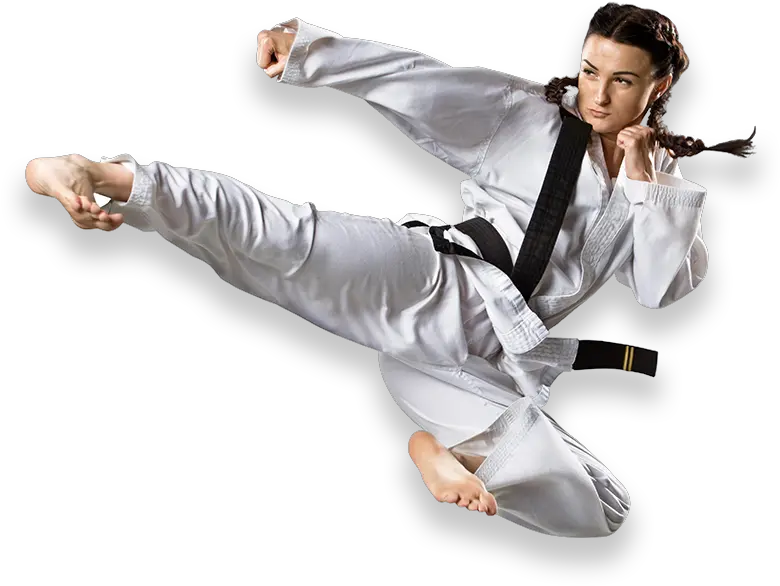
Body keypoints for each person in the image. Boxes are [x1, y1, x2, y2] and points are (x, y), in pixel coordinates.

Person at [25, 3, 755, 537]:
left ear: (658, 87)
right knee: (290, 239)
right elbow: (420, 82)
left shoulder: (666, 192)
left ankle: (434, 448)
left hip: (471, 365)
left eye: (622, 81)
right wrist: (313, 52)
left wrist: (642, 179)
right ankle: (100, 174)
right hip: (434, 281)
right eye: (591, 71)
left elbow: (660, 289)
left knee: (602, 509)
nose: (597, 94)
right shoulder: (530, 116)